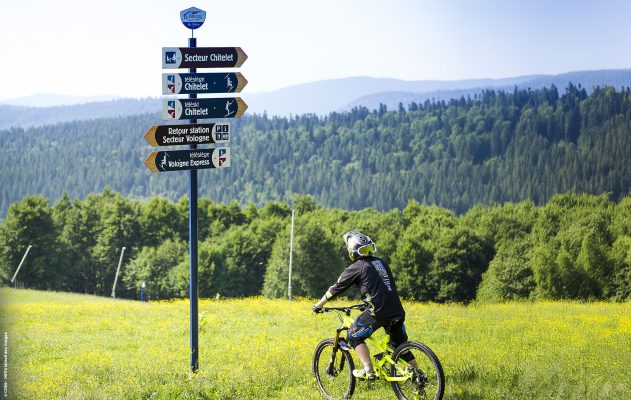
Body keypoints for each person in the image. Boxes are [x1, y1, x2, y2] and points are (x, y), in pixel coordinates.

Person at [312, 230, 417, 380]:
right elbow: (379, 286)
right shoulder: (381, 262)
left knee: (353, 336)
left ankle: (369, 370)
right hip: (397, 311)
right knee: (400, 345)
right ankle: (418, 374)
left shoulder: (357, 266)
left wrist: (319, 305)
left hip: (378, 312)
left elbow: (336, 288)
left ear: (352, 251)